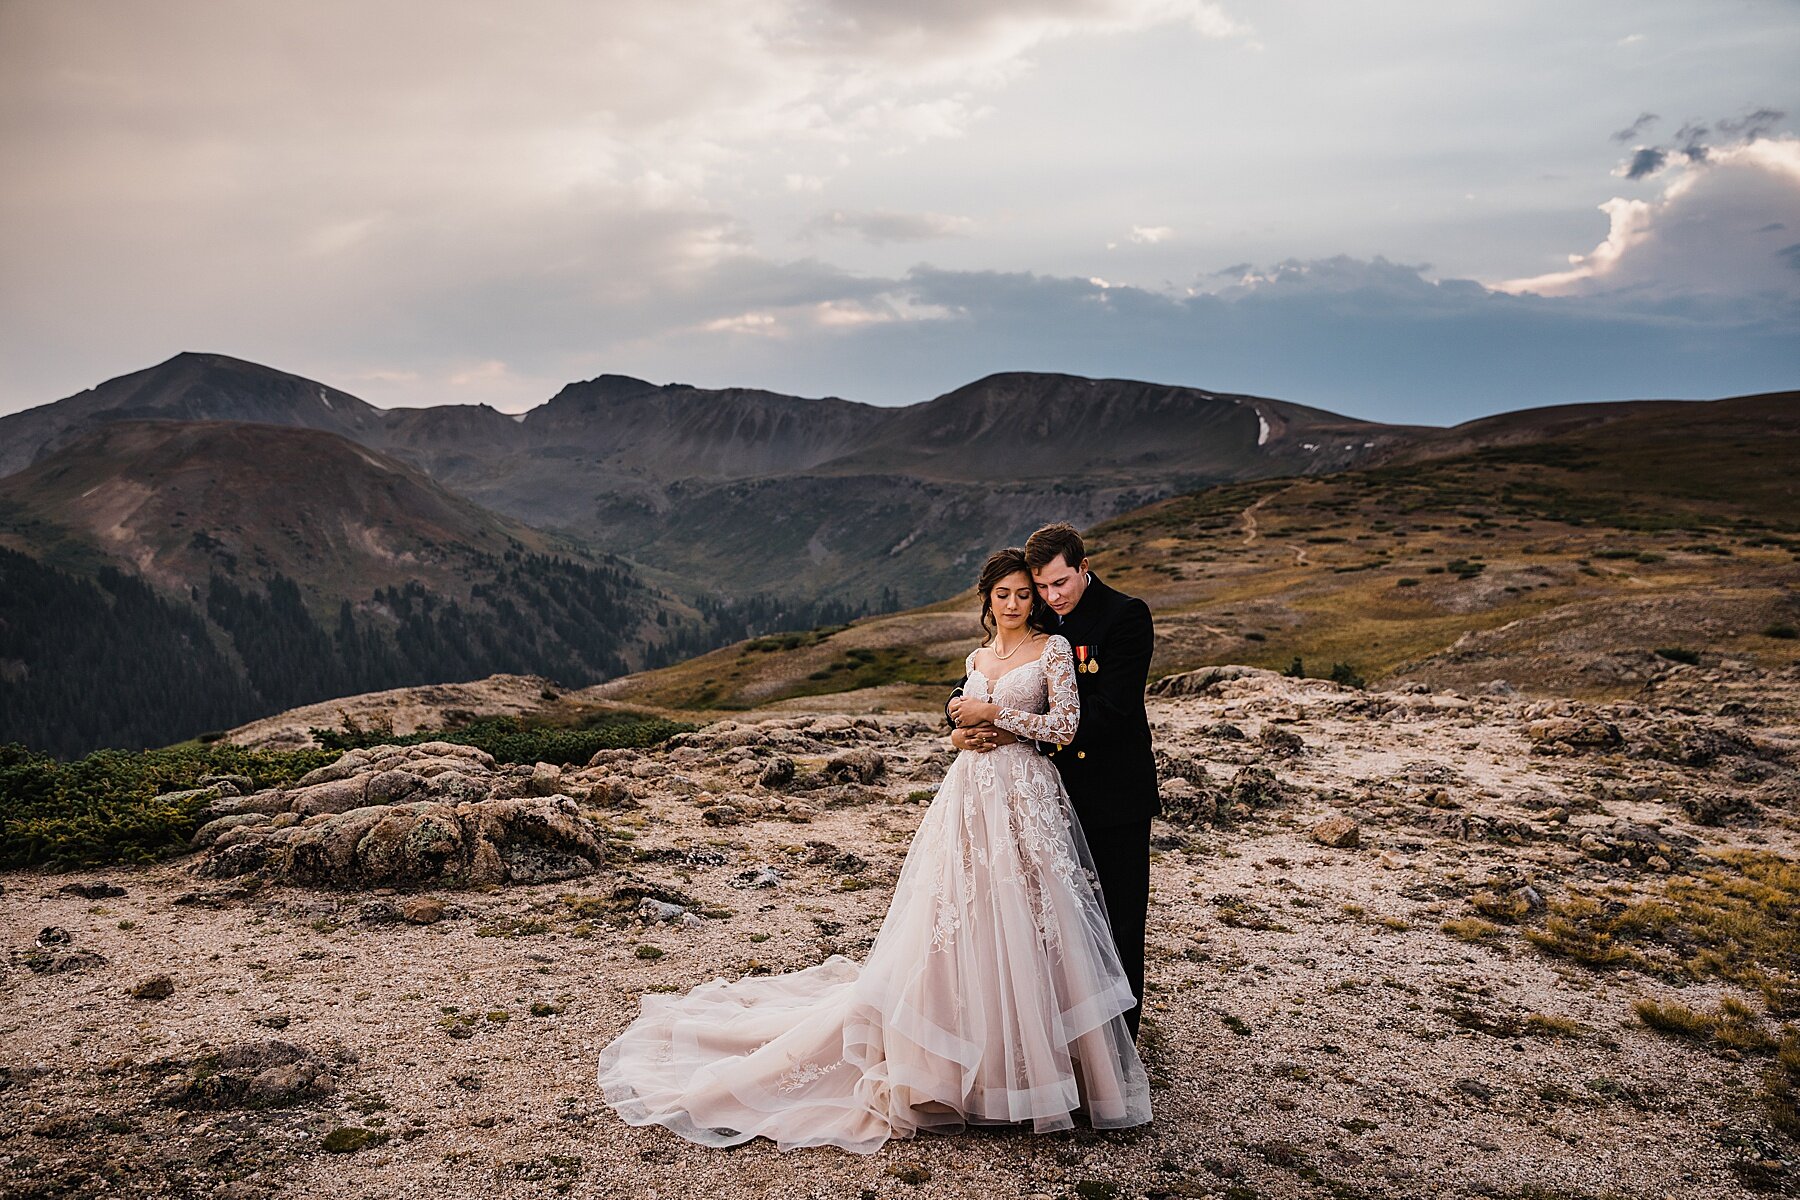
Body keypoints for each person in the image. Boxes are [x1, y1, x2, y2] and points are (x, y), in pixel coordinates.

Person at [596, 548, 1151, 1154]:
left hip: (1029, 796)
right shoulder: (976, 656)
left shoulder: (1053, 648)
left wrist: (996, 713)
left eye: (1028, 593)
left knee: (1041, 922)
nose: (1019, 603)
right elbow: (964, 708)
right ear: (987, 600)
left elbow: (1066, 726)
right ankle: (974, 1061)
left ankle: (1052, 1059)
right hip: (971, 794)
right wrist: (963, 727)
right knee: (966, 922)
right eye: (1006, 595)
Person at [948, 522, 1158, 1038]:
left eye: (1059, 583)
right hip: (1040, 795)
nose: (1049, 596)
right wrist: (958, 722)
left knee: (1118, 920)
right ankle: (1051, 1031)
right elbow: (982, 677)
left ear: (1083, 568)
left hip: (1110, 793)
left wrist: (1009, 729)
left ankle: (1118, 1041)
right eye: (1040, 587)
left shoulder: (1125, 617)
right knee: (1046, 916)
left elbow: (1110, 711)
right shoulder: (1039, 611)